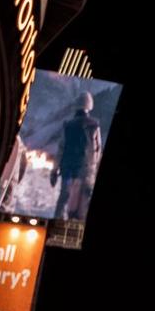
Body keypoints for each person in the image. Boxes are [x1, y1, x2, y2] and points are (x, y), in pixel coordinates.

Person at [54, 90, 102, 221]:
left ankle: (56, 223)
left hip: (68, 169)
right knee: (82, 203)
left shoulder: (68, 125)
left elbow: (61, 148)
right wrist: (94, 171)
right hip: (85, 170)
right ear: (89, 106)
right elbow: (97, 150)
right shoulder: (94, 126)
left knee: (63, 198)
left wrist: (54, 169)